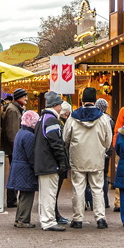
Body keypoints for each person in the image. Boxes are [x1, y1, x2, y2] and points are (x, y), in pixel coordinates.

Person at [62, 87, 112, 229]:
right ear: (95, 101)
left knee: (78, 188)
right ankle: (100, 218)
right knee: (97, 188)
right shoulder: (103, 118)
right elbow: (108, 140)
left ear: (82, 100)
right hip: (96, 157)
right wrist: (102, 150)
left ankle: (77, 219)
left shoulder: (73, 117)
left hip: (78, 157)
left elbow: (65, 138)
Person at [32, 91, 68, 231]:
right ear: (55, 105)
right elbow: (56, 143)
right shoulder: (51, 120)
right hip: (49, 164)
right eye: (59, 104)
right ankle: (49, 222)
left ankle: (45, 219)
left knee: (44, 194)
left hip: (42, 163)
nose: (61, 107)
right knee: (49, 194)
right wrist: (62, 160)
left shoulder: (42, 118)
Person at [6, 110, 40, 228]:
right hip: (26, 170)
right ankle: (23, 220)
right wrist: (37, 168)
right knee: (27, 195)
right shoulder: (29, 136)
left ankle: (19, 219)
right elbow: (31, 156)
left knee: (22, 195)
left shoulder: (20, 132)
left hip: (18, 167)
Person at [1, 88, 27, 208]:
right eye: (24, 96)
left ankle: (13, 198)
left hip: (14, 147)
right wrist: (17, 147)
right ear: (19, 97)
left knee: (15, 172)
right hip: (14, 148)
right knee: (14, 173)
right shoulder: (13, 110)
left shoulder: (15, 109)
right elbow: (11, 132)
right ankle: (11, 199)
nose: (26, 98)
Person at [91, 97, 113, 210]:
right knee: (104, 175)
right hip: (106, 151)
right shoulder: (109, 119)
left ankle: (92, 201)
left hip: (95, 149)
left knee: (93, 175)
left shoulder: (94, 118)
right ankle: (105, 201)